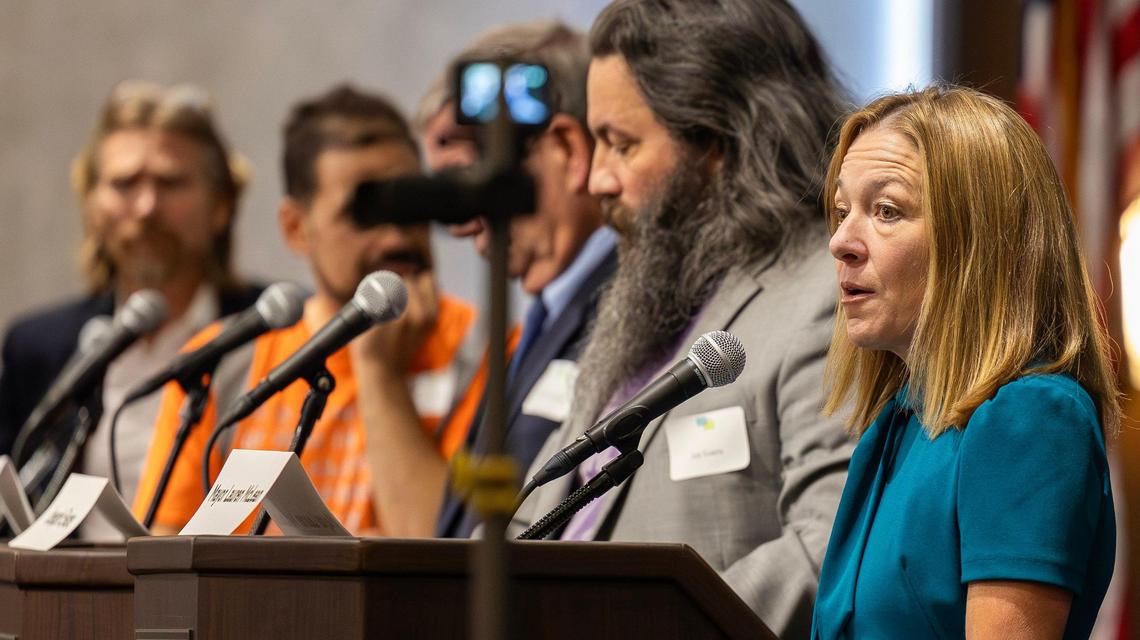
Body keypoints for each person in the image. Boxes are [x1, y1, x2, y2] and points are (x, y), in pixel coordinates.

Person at [509, 1, 854, 635]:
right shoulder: (642, 299)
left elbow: (828, 545)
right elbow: (544, 514)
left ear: (721, 142)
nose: (597, 180)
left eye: (622, 144)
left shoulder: (829, 295)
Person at [811, 86, 1118, 639]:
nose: (841, 241)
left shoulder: (1030, 419)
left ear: (977, 239)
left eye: (885, 210)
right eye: (840, 211)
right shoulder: (897, 423)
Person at [134, 85, 487, 536]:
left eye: (410, 202)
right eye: (364, 212)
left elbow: (440, 556)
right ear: (297, 228)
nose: (397, 235)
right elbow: (164, 557)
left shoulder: (489, 349)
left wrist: (378, 371)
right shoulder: (224, 360)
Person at [0, 81, 262, 517]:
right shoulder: (38, 348)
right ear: (91, 207)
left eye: (170, 182)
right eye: (124, 184)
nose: (146, 207)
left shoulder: (280, 327)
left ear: (221, 205)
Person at [416, 20, 617, 539]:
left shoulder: (630, 314)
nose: (459, 224)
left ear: (568, 152)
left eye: (468, 180)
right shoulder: (539, 317)